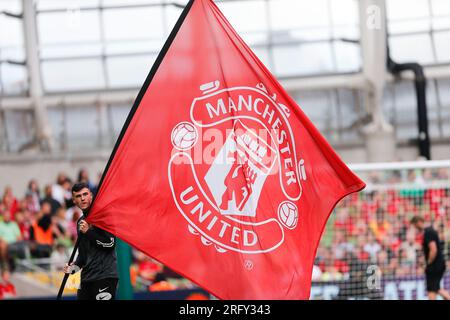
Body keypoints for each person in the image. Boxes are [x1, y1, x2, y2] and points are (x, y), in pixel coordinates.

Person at [63, 182, 118, 300]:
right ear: (74, 200)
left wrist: (89, 232)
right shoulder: (80, 223)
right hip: (86, 279)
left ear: (91, 196)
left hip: (104, 277)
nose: (82, 198)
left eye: (85, 194)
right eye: (78, 196)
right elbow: (83, 257)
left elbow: (110, 244)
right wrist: (73, 268)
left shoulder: (103, 216)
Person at [410, 216, 450, 300]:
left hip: (435, 265)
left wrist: (428, 263)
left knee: (432, 289)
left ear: (418, 222)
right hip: (438, 264)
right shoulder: (430, 231)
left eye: (415, 225)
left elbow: (433, 249)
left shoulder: (428, 232)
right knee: (435, 288)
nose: (415, 228)